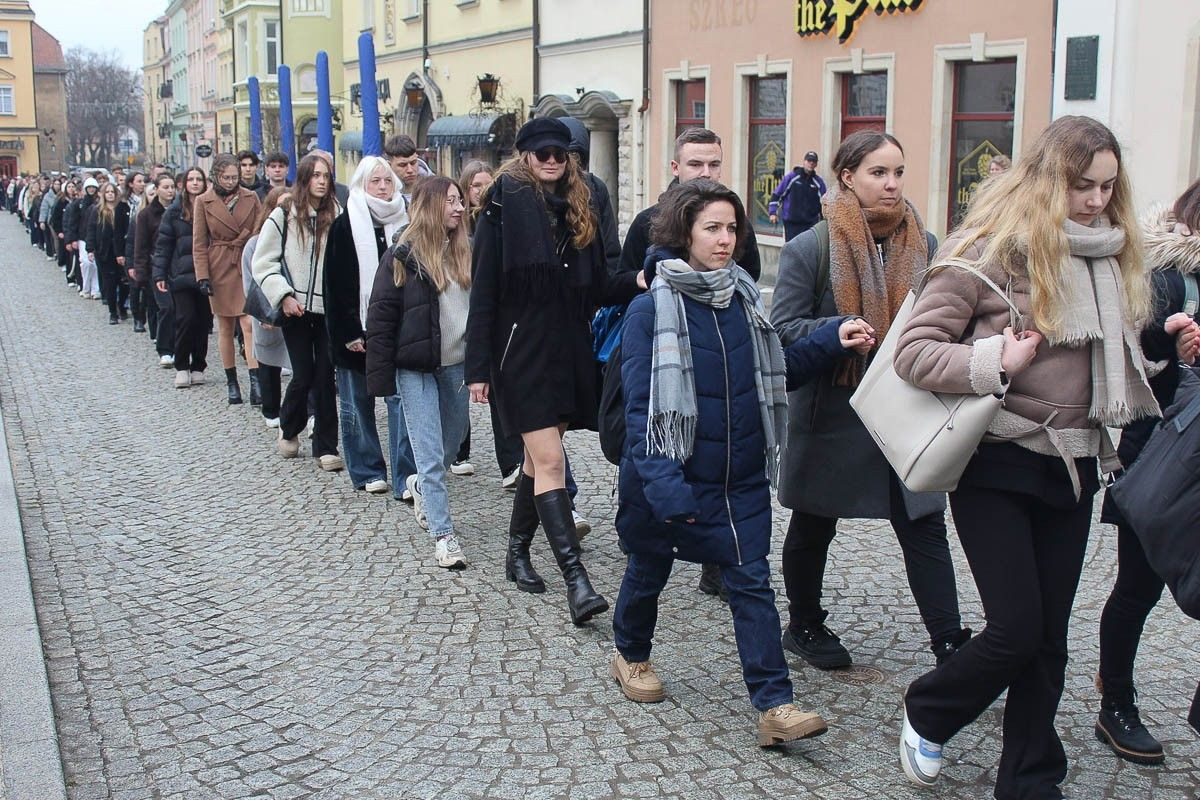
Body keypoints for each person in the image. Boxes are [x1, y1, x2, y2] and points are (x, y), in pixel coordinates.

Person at [894, 116, 1159, 798]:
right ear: (1046, 179)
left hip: (1075, 464)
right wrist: (993, 360)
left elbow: (1117, 365)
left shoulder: (1113, 255)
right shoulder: (987, 250)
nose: (1096, 201)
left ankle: (1032, 778)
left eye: (1107, 186)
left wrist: (1173, 347)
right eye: (1081, 186)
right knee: (1016, 630)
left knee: (1048, 637)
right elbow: (914, 351)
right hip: (995, 460)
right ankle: (929, 709)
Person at [611, 178, 878, 746]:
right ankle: (630, 654)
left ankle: (774, 706)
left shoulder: (744, 303)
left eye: (732, 227)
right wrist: (663, 486)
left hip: (739, 478)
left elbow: (778, 372)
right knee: (648, 571)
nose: (726, 239)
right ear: (684, 232)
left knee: (752, 584)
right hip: (671, 475)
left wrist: (834, 337)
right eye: (712, 227)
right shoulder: (648, 309)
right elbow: (642, 410)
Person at [770, 130, 969, 671]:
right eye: (879, 173)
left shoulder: (923, 243)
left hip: (905, 403)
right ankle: (804, 623)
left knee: (923, 520)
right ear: (848, 178)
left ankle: (949, 641)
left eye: (898, 172)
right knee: (814, 522)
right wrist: (835, 330)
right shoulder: (810, 246)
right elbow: (781, 330)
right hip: (834, 409)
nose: (891, 184)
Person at [465, 117, 643, 624]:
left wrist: (642, 279)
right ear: (524, 155)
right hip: (518, 351)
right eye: (540, 152)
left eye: (558, 152)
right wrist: (477, 367)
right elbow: (484, 289)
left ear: (569, 156)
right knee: (551, 461)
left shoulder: (586, 201)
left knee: (534, 460)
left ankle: (517, 551)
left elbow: (603, 283)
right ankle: (576, 581)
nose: (549, 159)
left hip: (568, 347)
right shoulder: (503, 201)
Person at [1094, 179, 1200, 765]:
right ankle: (1117, 701)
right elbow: (1133, 348)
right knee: (1138, 587)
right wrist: (1174, 331)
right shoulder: (1165, 270)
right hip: (1163, 454)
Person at [367, 176, 473, 567]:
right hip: (414, 368)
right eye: (450, 201)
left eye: (460, 200)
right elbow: (380, 318)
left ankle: (420, 487)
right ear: (430, 206)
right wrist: (378, 379)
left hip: (456, 366)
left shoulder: (466, 251)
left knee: (450, 443)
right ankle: (444, 536)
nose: (459, 208)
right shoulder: (401, 256)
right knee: (429, 453)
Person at [324, 155, 414, 494]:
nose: (382, 186)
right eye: (375, 181)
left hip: (399, 331)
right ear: (362, 184)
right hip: (357, 331)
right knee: (357, 403)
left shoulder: (406, 222)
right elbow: (335, 284)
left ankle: (407, 476)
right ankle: (367, 470)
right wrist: (348, 333)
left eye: (387, 180)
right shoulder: (345, 225)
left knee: (402, 404)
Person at [252, 153, 344, 471]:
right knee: (304, 373)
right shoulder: (284, 214)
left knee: (325, 376)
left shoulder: (337, 213)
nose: (321, 181)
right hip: (296, 309)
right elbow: (263, 262)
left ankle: (326, 446)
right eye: (315, 175)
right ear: (304, 179)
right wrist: (283, 295)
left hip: (327, 309)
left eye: (326, 176)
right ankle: (289, 427)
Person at [620, 128, 762, 282]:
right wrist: (647, 278)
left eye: (714, 164)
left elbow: (751, 273)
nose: (706, 173)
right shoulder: (648, 220)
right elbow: (618, 284)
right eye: (695, 164)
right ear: (675, 168)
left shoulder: (735, 219)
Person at [193, 153, 264, 406]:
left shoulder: (251, 196)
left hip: (244, 260)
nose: (232, 181)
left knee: (248, 323)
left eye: (235, 177)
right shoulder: (204, 201)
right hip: (220, 263)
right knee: (224, 326)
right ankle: (231, 381)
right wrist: (202, 275)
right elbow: (199, 242)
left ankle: (256, 380)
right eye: (227, 177)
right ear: (216, 176)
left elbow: (259, 229)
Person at [154, 168, 211, 389]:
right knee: (185, 320)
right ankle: (181, 366)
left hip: (206, 274)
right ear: (184, 184)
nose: (195, 183)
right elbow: (163, 245)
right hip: (180, 275)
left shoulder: (210, 208)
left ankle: (198, 365)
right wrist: (159, 273)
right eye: (191, 179)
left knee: (203, 322)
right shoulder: (174, 211)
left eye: (199, 179)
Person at [241, 187, 293, 428]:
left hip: (295, 309)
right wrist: (265, 312)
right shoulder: (255, 243)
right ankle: (271, 408)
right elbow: (252, 280)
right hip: (266, 309)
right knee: (268, 358)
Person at [135, 172, 176, 367]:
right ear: (157, 189)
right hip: (157, 267)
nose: (170, 191)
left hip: (179, 266)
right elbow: (141, 246)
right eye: (166, 187)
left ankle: (179, 347)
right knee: (166, 308)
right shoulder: (146, 215)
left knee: (181, 310)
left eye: (172, 187)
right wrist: (141, 273)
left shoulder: (181, 210)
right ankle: (164, 348)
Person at [85, 182, 131, 325]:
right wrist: (90, 248)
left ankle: (122, 305)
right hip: (104, 251)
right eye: (108, 192)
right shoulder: (97, 210)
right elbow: (91, 229)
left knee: (124, 282)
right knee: (109, 283)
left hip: (121, 250)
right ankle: (112, 312)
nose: (110, 194)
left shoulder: (122, 208)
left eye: (113, 191)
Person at [769, 151, 827, 242]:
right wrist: (772, 213)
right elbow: (777, 194)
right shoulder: (792, 177)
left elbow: (824, 203)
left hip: (810, 224)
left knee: (808, 251)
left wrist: (825, 220)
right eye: (809, 161)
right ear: (804, 162)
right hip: (792, 223)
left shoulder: (818, 182)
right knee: (792, 250)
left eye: (814, 162)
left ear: (816, 164)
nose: (811, 163)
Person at [384, 134, 432, 206]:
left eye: (413, 163)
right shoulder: (381, 193)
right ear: (389, 165)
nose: (410, 170)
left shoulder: (436, 190)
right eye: (402, 165)